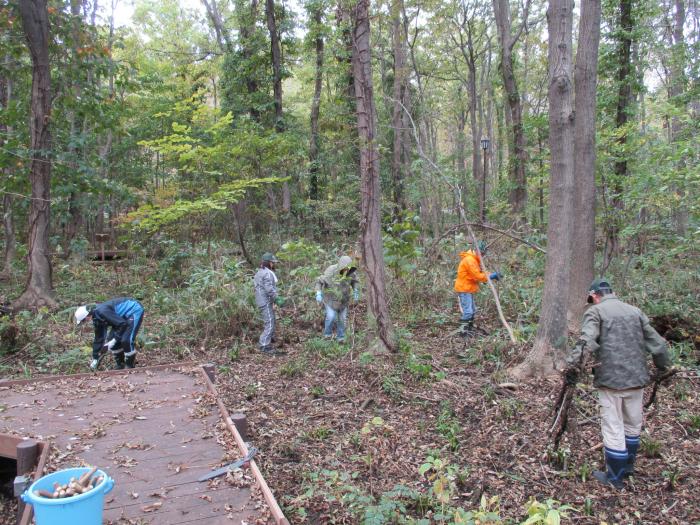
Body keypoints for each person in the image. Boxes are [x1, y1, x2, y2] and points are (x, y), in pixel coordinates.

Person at [565, 278, 671, 489]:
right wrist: (663, 367)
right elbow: (658, 344)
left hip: (611, 381)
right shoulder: (635, 311)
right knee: (632, 424)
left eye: (592, 299)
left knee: (613, 426)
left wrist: (572, 368)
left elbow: (587, 341)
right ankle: (628, 467)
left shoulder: (595, 312)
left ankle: (615, 477)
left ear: (595, 295)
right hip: (637, 379)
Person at [75, 298, 145, 370]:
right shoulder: (96, 319)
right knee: (111, 340)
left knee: (126, 340)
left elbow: (122, 324)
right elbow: (98, 338)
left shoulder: (103, 312)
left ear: (87, 316)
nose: (84, 323)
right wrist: (95, 358)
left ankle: (129, 365)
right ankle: (120, 364)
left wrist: (114, 340)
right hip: (120, 319)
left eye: (83, 321)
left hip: (134, 310)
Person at [453, 241, 501, 336]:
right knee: (468, 312)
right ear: (478, 251)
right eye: (482, 253)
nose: (483, 256)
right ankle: (463, 333)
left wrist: (490, 274)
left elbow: (479, 273)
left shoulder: (474, 260)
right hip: (464, 289)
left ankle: (468, 330)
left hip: (468, 288)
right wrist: (491, 276)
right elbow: (477, 276)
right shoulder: (470, 260)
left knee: (472, 310)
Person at [315, 255, 359, 343]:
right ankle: (327, 335)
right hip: (330, 299)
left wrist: (356, 291)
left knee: (342, 318)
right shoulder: (331, 270)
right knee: (331, 317)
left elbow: (355, 282)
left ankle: (341, 338)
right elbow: (319, 281)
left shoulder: (351, 272)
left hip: (343, 300)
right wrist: (318, 293)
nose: (346, 272)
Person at [254, 252, 284, 355]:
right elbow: (269, 289)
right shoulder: (266, 273)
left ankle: (266, 342)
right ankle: (264, 345)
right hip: (265, 301)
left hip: (262, 300)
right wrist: (277, 298)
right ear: (269, 263)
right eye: (273, 262)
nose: (274, 264)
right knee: (270, 323)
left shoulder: (260, 271)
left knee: (270, 321)